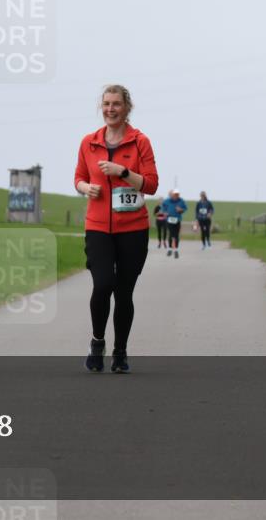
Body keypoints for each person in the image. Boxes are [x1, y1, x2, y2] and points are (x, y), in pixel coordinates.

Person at [74, 84, 159, 373]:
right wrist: (87, 188)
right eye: (106, 104)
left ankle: (120, 352)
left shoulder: (140, 142)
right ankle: (97, 342)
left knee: (123, 292)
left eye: (116, 104)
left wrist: (123, 172)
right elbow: (79, 177)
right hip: (98, 226)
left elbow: (151, 183)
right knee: (102, 285)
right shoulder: (89, 142)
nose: (110, 109)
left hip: (133, 228)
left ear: (127, 108)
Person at [160, 189, 188, 259]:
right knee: (171, 234)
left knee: (176, 235)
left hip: (177, 220)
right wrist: (165, 212)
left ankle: (176, 250)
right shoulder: (167, 201)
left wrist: (181, 210)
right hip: (169, 220)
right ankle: (170, 249)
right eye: (175, 194)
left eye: (177, 194)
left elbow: (185, 208)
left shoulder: (181, 201)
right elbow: (163, 208)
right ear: (172, 194)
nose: (176, 196)